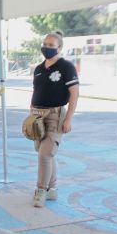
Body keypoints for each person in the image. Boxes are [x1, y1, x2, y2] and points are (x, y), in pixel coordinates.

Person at [29, 30, 79, 207]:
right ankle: (52, 189)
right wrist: (31, 112)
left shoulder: (66, 67)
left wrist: (68, 119)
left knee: (45, 154)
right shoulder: (39, 69)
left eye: (51, 45)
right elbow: (35, 91)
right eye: (45, 44)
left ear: (60, 48)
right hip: (37, 115)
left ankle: (40, 190)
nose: (47, 48)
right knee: (45, 153)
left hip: (55, 115)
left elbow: (74, 94)